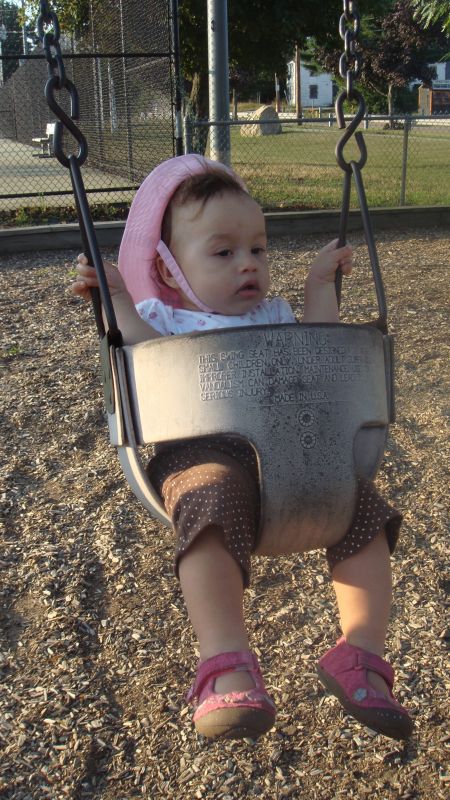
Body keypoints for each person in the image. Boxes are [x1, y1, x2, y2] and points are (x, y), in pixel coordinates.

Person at [72, 154, 412, 742]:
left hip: (295, 454)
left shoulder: (272, 312)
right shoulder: (162, 318)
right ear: (170, 267)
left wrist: (319, 287)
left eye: (258, 248)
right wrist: (116, 300)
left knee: (365, 509)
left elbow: (320, 346)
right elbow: (140, 355)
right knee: (210, 499)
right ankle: (224, 662)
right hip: (203, 457)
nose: (248, 263)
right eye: (223, 252)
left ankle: (359, 652)